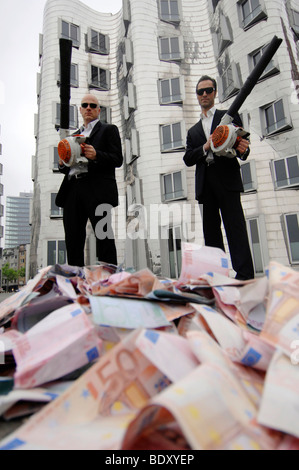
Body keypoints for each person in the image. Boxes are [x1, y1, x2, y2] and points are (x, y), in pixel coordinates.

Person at [183, 76, 254, 280]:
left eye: (208, 90)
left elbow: (242, 143)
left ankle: (245, 276)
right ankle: (218, 277)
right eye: (200, 92)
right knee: (211, 233)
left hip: (227, 180)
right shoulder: (193, 131)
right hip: (205, 186)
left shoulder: (229, 115)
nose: (204, 94)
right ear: (197, 96)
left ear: (214, 92)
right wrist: (205, 147)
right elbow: (188, 158)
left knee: (236, 229)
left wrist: (243, 150)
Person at [56, 93, 123, 267]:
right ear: (80, 109)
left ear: (98, 110)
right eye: (85, 105)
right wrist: (62, 162)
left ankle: (108, 280)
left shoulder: (109, 130)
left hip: (97, 189)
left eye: (92, 106)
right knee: (73, 238)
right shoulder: (72, 137)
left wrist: (97, 155)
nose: (88, 108)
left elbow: (118, 159)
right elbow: (66, 167)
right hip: (73, 189)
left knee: (104, 236)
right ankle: (76, 283)